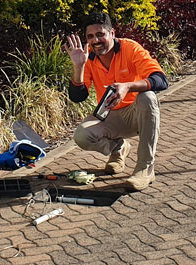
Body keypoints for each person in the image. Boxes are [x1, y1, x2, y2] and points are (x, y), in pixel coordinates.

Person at [65, 12, 167, 191]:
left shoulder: (130, 48)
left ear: (112, 33)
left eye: (100, 34)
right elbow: (78, 96)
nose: (95, 40)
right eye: (90, 37)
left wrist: (128, 86)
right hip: (109, 115)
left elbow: (161, 80)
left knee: (148, 97)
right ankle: (118, 149)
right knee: (81, 135)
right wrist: (78, 66)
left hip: (137, 113)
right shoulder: (87, 57)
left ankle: (145, 169)